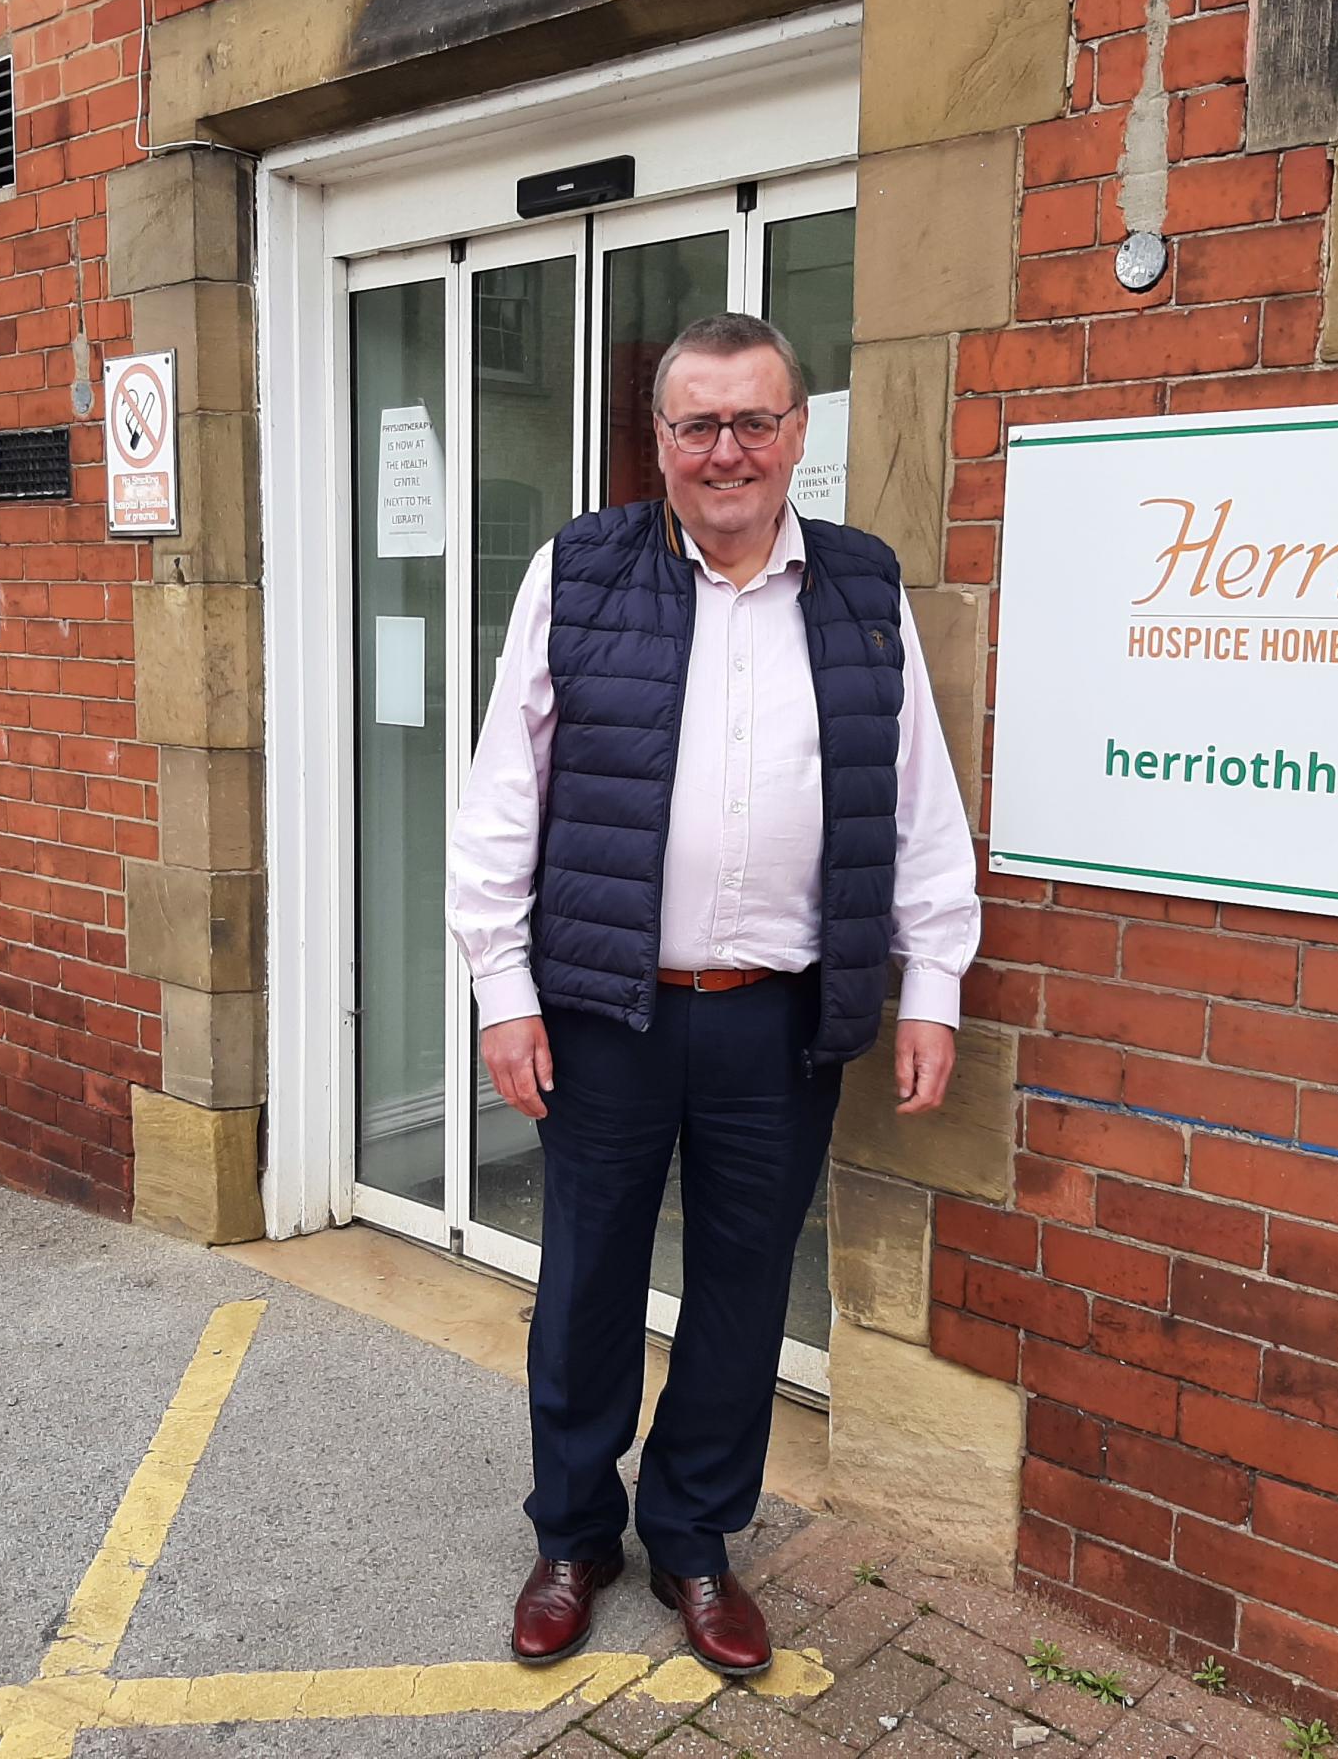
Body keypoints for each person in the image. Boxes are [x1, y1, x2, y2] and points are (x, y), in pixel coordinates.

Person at [446, 312, 982, 1677]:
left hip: (776, 1016)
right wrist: (502, 988)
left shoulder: (862, 589)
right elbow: (502, 798)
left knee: (744, 1290)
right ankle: (572, 1534)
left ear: (799, 433)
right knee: (585, 1284)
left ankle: (693, 1538)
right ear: (662, 442)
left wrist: (935, 985)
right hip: (605, 1009)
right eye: (699, 425)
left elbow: (915, 798)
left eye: (755, 421)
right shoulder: (581, 571)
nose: (727, 451)